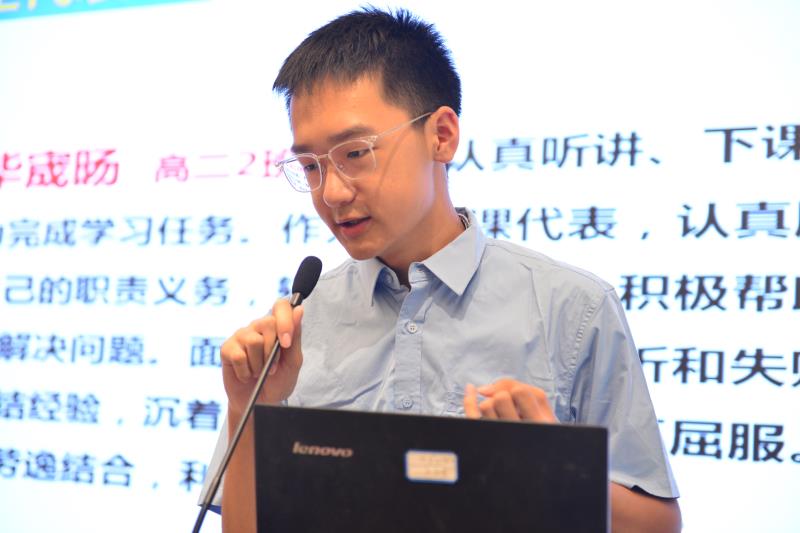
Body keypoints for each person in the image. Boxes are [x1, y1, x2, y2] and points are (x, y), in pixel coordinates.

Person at [200, 7, 681, 532]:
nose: (331, 193)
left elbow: (658, 524)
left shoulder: (573, 307)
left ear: (442, 135)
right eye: (311, 166)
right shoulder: (297, 327)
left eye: (356, 153)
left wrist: (555, 468)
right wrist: (247, 409)